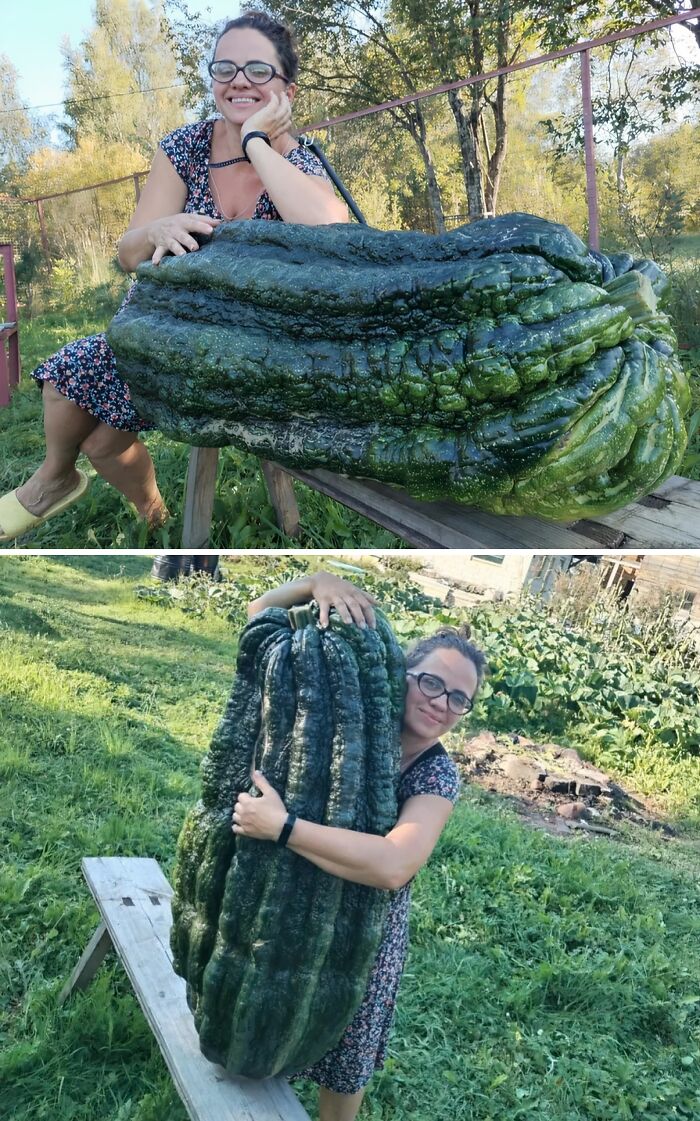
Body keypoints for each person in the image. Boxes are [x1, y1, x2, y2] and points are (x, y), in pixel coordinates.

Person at [0, 11, 348, 544]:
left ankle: (64, 484)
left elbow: (330, 230)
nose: (239, 81)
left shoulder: (297, 162)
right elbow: (127, 254)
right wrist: (157, 228)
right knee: (66, 388)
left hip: (247, 351)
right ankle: (96, 492)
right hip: (164, 331)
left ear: (287, 90)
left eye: (258, 70)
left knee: (100, 440)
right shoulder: (184, 148)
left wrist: (256, 141)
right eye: (225, 68)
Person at [233, 570, 487, 1121]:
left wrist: (281, 826)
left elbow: (396, 865)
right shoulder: (344, 707)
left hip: (361, 927)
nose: (442, 703)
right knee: (265, 1001)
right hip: (290, 892)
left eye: (460, 699)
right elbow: (259, 619)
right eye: (432, 683)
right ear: (403, 673)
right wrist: (315, 583)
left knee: (349, 1054)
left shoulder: (435, 776)